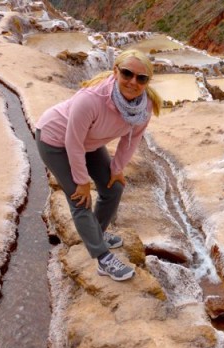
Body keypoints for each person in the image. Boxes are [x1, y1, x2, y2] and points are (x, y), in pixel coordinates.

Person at [35, 49, 161, 281]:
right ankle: (103, 259)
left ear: (147, 81)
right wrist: (81, 181)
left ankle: (98, 234)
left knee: (114, 188)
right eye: (127, 74)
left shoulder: (146, 105)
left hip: (89, 144)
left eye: (141, 78)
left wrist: (117, 168)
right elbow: (72, 142)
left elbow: (131, 140)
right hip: (55, 140)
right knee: (80, 199)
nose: (133, 82)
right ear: (115, 71)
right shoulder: (91, 99)